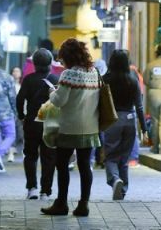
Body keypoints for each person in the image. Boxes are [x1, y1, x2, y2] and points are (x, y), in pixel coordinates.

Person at [41, 38, 100, 218]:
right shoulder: (94, 72)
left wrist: (52, 92)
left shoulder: (68, 75)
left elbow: (59, 101)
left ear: (67, 57)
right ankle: (84, 205)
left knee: (62, 165)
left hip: (69, 127)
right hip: (90, 126)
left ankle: (62, 203)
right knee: (84, 166)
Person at [102, 50, 147, 200]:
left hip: (112, 120)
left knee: (110, 157)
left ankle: (115, 180)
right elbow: (139, 106)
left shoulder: (105, 80)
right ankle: (123, 190)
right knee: (124, 158)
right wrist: (144, 128)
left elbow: (99, 103)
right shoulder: (132, 80)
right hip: (129, 119)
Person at [16, 48, 59, 200]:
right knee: (49, 157)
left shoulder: (28, 79)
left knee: (30, 155)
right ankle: (45, 191)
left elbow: (20, 99)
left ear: (34, 63)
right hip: (50, 123)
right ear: (50, 63)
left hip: (32, 122)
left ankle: (32, 188)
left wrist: (22, 115)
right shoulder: (55, 79)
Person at [0, 54, 18, 173]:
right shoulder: (8, 77)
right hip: (6, 112)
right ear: (3, 63)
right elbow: (12, 96)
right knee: (10, 135)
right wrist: (15, 111)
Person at [128, 64, 146, 166]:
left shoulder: (128, 74)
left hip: (127, 107)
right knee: (133, 133)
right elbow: (141, 93)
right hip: (133, 106)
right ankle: (133, 159)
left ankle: (131, 158)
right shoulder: (138, 76)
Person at [8, 66, 24, 163]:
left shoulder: (22, 86)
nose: (16, 73)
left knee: (21, 133)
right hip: (11, 112)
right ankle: (11, 153)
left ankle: (22, 151)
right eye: (14, 71)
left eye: (18, 71)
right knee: (12, 133)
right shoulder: (9, 85)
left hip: (20, 112)